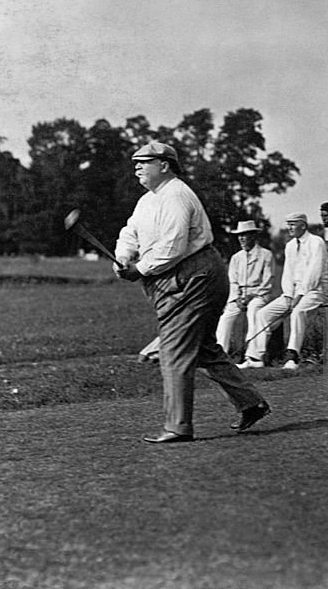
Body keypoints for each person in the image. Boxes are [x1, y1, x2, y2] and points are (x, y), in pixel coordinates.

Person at [114, 141, 270, 443]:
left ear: (165, 165)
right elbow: (129, 233)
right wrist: (123, 257)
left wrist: (139, 269)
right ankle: (251, 402)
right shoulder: (148, 200)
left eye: (145, 161)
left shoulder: (176, 195)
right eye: (136, 162)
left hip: (193, 276)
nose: (137, 167)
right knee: (202, 348)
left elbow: (172, 246)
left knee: (173, 351)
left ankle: (178, 426)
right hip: (183, 276)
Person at [241, 212, 328, 371]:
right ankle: (255, 358)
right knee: (263, 314)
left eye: (293, 224)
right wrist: (288, 295)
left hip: (315, 291)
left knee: (297, 313)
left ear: (303, 225)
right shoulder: (290, 246)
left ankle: (292, 357)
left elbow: (314, 274)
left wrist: (299, 296)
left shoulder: (317, 242)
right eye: (288, 224)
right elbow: (288, 273)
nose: (289, 227)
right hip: (293, 293)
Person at [215, 220, 274, 361]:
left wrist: (252, 296)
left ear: (253, 236)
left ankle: (252, 356)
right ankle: (220, 354)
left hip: (259, 295)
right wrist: (237, 298)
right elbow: (232, 281)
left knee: (254, 310)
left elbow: (267, 282)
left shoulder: (266, 255)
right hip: (239, 296)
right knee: (226, 317)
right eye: (239, 235)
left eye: (245, 235)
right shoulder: (236, 258)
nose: (241, 238)